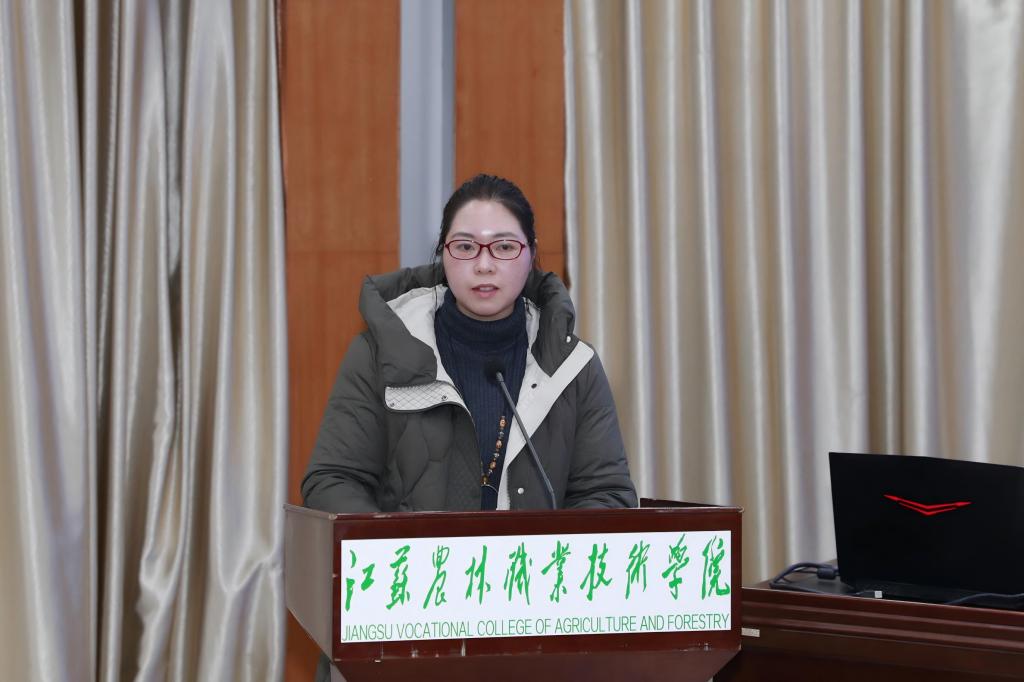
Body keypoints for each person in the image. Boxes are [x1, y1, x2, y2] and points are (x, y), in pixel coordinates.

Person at [302, 174, 636, 514]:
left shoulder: (572, 366)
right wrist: (396, 543)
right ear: (442, 254)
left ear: (532, 253)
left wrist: (544, 547)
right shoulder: (380, 353)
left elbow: (607, 494)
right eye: (465, 247)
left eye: (504, 247)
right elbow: (333, 481)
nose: (484, 265)